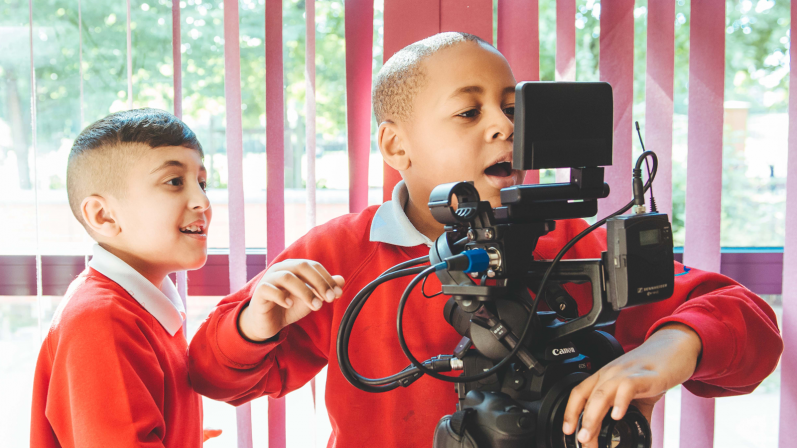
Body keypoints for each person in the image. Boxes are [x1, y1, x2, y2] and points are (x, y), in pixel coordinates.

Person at [188, 33, 782, 448]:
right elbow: (216, 374)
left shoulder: (572, 240)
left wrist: (670, 349)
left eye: (510, 108)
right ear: (397, 147)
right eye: (469, 114)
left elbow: (747, 326)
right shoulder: (340, 252)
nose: (504, 125)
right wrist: (252, 324)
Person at [30, 108, 344, 448]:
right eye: (174, 182)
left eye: (202, 182)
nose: (202, 201)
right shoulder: (102, 320)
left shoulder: (140, 306)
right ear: (103, 215)